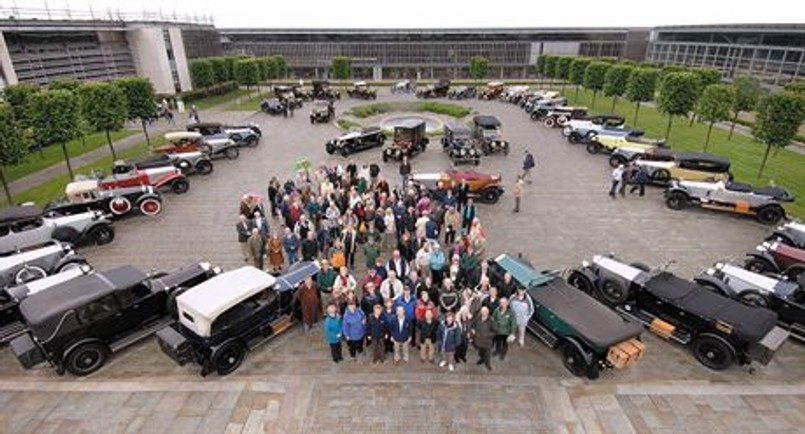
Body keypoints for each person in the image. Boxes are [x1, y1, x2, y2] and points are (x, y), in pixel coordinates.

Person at [470, 306, 496, 370]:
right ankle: (482, 359)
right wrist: (473, 330)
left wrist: (488, 335)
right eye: (483, 311)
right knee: (481, 352)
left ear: (488, 312)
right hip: (478, 340)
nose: (484, 313)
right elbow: (472, 325)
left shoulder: (491, 320)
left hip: (487, 341)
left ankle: (487, 364)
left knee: (487, 353)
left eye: (485, 311)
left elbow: (495, 331)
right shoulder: (477, 319)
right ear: (481, 312)